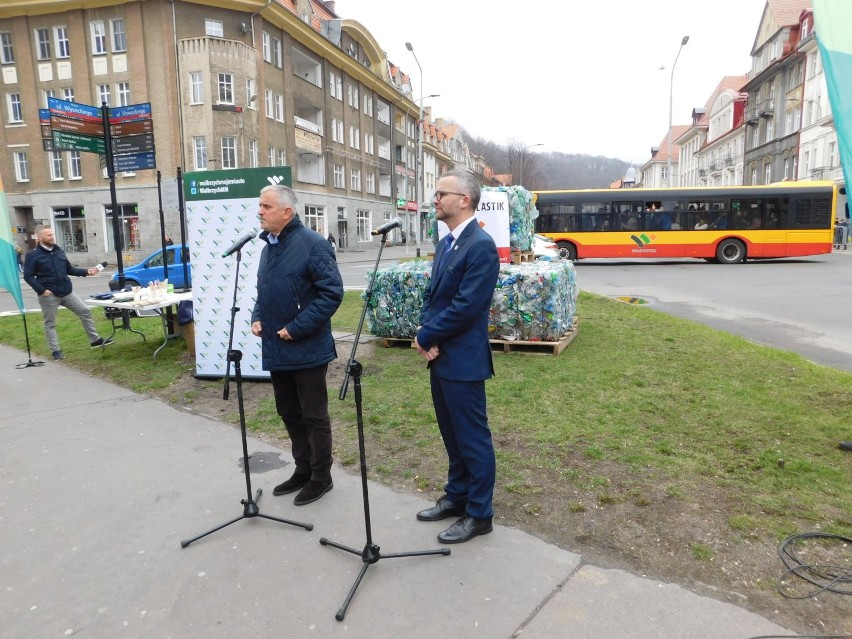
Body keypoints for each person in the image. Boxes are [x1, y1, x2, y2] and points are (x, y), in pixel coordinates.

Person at [414, 169, 500, 544]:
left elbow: (467, 306)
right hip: (440, 356)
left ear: (464, 200)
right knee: (451, 435)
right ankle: (457, 496)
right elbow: (435, 298)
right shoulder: (447, 243)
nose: (435, 199)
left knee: (472, 439)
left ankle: (479, 514)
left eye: (441, 193)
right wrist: (424, 335)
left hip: (463, 359)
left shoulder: (480, 245)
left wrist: (427, 334)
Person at [250, 184, 343, 506]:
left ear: (287, 212)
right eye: (260, 206)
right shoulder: (268, 247)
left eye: (266, 206)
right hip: (277, 347)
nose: (259, 211)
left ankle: (321, 477)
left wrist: (297, 328)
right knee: (288, 411)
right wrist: (258, 316)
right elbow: (266, 292)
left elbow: (331, 294)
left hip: (307, 347)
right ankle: (303, 469)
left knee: (313, 416)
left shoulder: (314, 245)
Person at [23, 227, 113, 361]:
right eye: (48, 235)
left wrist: (86, 272)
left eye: (52, 234)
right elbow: (28, 276)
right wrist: (42, 290)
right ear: (40, 238)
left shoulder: (59, 251)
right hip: (49, 294)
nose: (52, 237)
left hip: (67, 291)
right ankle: (55, 351)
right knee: (50, 323)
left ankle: (95, 340)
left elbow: (69, 269)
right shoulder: (33, 255)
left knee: (85, 311)